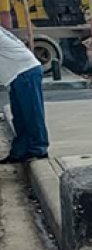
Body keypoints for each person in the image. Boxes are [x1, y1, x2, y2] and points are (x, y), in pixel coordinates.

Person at [0, 28, 48, 163]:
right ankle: (20, 151)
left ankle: (39, 149)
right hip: (17, 74)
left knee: (32, 114)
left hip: (25, 71)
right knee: (20, 117)